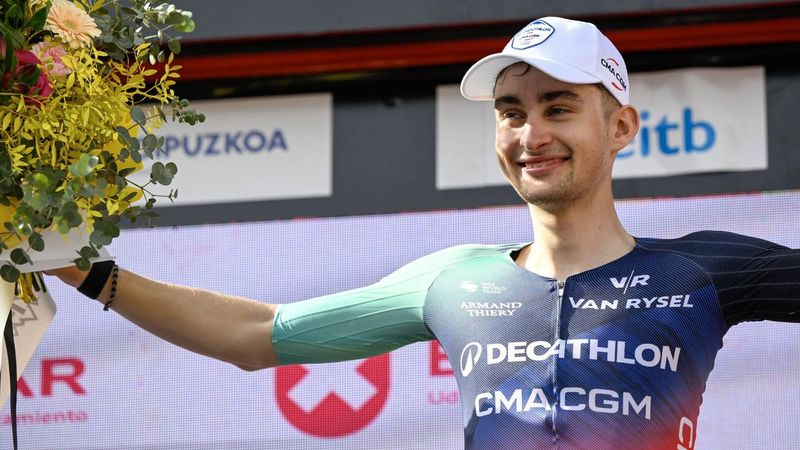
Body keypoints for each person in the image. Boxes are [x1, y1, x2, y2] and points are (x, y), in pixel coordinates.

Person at [48, 16, 800, 450]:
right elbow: (256, 335)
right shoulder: (453, 279)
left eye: (559, 106)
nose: (530, 131)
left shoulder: (706, 268)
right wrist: (76, 265)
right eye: (511, 111)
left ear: (622, 126)